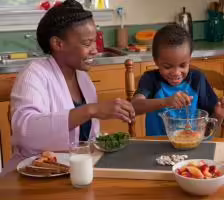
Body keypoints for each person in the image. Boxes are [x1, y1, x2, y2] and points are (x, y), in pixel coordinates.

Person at [2, 0, 134, 174]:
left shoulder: (83, 79)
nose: (95, 50)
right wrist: (90, 110)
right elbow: (25, 132)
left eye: (95, 42)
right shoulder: (33, 75)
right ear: (58, 44)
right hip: (33, 175)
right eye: (87, 44)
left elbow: (85, 139)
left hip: (76, 172)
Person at [131, 24, 224, 136]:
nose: (176, 73)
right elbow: (134, 107)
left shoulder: (197, 80)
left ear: (189, 59)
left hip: (192, 146)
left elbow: (208, 133)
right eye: (167, 66)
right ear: (156, 61)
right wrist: (166, 102)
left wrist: (218, 115)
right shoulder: (150, 79)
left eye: (182, 65)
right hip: (157, 148)